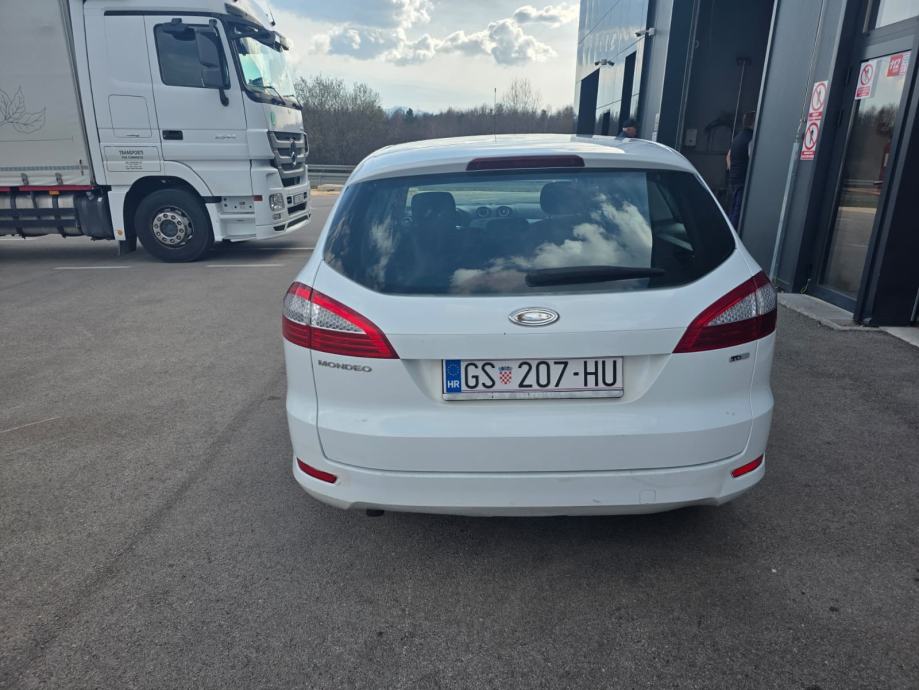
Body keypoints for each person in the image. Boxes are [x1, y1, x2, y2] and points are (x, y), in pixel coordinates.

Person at [726, 111, 755, 227]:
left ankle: (728, 230)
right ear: (754, 122)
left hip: (734, 179)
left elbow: (728, 156)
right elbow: (752, 158)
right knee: (738, 212)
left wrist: (732, 170)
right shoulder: (751, 139)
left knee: (733, 209)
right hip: (743, 180)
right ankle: (731, 234)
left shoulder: (737, 138)